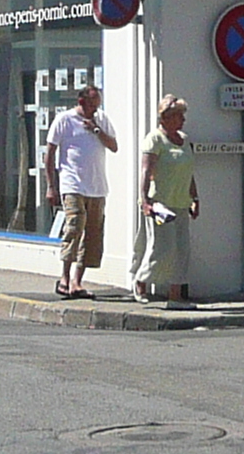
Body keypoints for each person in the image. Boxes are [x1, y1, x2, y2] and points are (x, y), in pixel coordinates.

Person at [42, 82, 119, 299]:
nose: (95, 109)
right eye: (92, 105)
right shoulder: (64, 120)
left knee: (92, 233)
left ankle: (78, 281)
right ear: (81, 101)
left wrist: (95, 128)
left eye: (97, 105)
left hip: (97, 186)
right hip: (72, 183)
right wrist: (51, 186)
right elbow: (49, 153)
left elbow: (113, 146)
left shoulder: (101, 120)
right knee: (74, 225)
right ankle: (64, 278)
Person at [129, 94, 200, 307]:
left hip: (181, 201)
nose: (183, 120)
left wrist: (194, 197)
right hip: (160, 204)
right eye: (179, 116)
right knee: (162, 247)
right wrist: (145, 200)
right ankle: (141, 281)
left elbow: (189, 172)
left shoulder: (185, 140)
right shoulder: (155, 139)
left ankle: (175, 294)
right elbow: (146, 170)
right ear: (166, 117)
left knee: (182, 249)